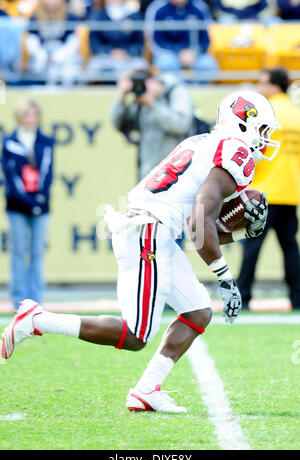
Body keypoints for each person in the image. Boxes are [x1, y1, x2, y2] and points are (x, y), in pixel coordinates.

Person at [1, 90, 278, 413]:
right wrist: (226, 278)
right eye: (261, 130)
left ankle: (147, 390)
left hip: (151, 227)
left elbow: (195, 225)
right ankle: (37, 320)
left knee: (198, 311)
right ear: (243, 125)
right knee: (136, 335)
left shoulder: (202, 142)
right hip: (150, 231)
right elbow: (200, 220)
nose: (264, 139)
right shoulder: (235, 152)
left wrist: (239, 231)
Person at [237, 68, 300, 311]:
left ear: (275, 86)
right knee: (290, 247)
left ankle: (243, 296)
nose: (259, 88)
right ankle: (297, 298)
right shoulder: (296, 113)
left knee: (252, 246)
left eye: (262, 83)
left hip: (263, 191)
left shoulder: (265, 113)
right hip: (290, 191)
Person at [1, 97, 54, 310]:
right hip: (17, 206)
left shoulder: (45, 141)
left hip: (41, 206)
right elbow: (11, 176)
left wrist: (38, 199)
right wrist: (26, 200)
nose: (30, 119)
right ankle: (18, 300)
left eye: (33, 115)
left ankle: (36, 300)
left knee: (37, 251)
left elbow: (47, 173)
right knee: (18, 251)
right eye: (26, 115)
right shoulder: (9, 142)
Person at [111, 67, 194, 181]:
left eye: (142, 84)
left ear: (153, 80)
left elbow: (180, 125)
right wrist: (122, 95)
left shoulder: (176, 92)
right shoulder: (140, 100)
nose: (140, 88)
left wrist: (152, 104)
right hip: (148, 174)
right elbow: (118, 124)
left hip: (176, 173)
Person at [144, 0, 218, 82]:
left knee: (208, 65)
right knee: (166, 64)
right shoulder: (157, 7)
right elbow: (154, 41)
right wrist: (179, 52)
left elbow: (206, 39)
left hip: (194, 54)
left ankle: (197, 90)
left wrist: (194, 52)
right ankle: (176, 89)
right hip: (169, 54)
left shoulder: (200, 6)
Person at [86, 0, 148, 81]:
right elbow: (94, 42)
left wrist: (127, 52)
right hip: (104, 57)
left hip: (129, 57)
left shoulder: (134, 16)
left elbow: (140, 42)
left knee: (141, 67)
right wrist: (110, 51)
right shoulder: (98, 16)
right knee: (93, 69)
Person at [24, 0, 83, 86]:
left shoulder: (69, 17)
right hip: (42, 57)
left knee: (67, 72)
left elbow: (74, 40)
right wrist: (40, 54)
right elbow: (31, 40)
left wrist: (61, 55)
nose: (52, 2)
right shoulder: (35, 17)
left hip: (64, 57)